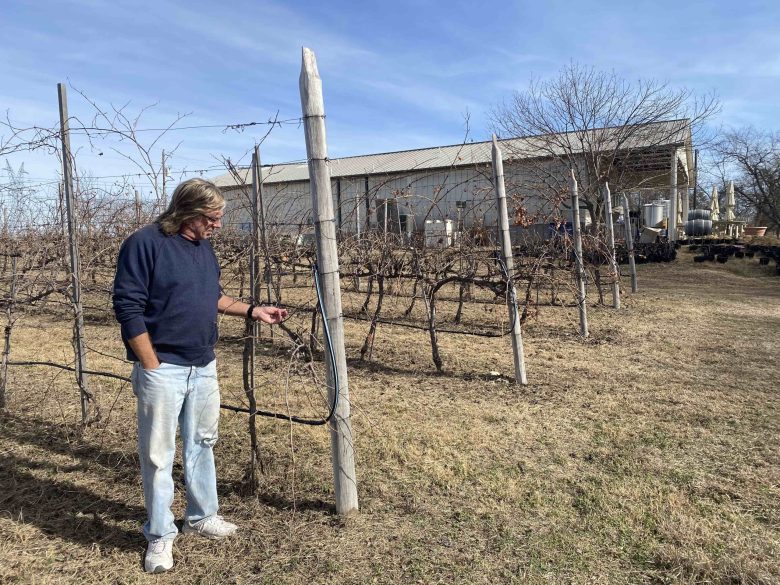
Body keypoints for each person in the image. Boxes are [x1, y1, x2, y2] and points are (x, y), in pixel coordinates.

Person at [112, 178, 287, 573]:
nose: (218, 225)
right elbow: (127, 307)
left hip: (202, 363)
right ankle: (159, 535)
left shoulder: (203, 249)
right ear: (188, 212)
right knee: (158, 456)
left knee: (202, 442)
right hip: (163, 368)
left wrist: (253, 310)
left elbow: (212, 296)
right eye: (213, 217)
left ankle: (201, 516)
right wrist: (151, 364)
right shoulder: (144, 244)